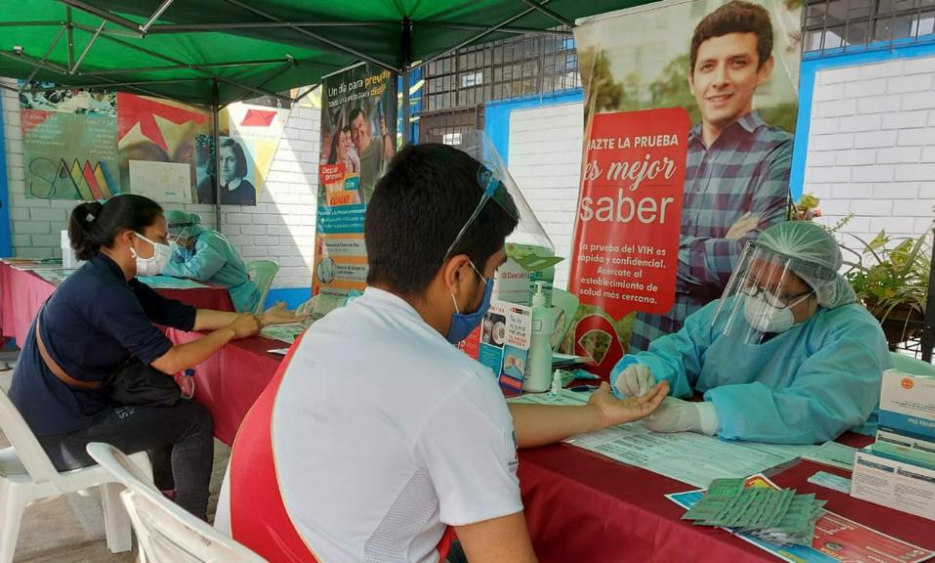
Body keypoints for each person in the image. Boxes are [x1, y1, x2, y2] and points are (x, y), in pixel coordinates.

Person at [217, 143, 668, 562]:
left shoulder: (327, 333)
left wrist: (598, 415)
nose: (492, 288)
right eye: (491, 271)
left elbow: (471, 422)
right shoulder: (452, 385)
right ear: (457, 274)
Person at [7, 195, 304, 520]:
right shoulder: (106, 293)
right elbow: (171, 360)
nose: (168, 246)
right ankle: (190, 523)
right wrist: (231, 332)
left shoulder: (109, 278)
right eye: (161, 238)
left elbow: (183, 316)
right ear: (129, 238)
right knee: (193, 420)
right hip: (58, 435)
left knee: (163, 405)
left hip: (52, 413)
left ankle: (167, 496)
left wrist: (259, 320)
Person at [614, 221, 891, 445]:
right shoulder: (726, 311)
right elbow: (678, 352)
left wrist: (703, 416)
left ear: (818, 293)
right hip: (725, 449)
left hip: (822, 456)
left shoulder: (853, 332)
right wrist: (645, 372)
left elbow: (818, 408)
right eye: (755, 284)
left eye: (781, 293)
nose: (760, 300)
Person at [631, 1, 793, 351]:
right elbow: (632, 247)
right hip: (651, 338)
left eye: (737, 63)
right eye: (708, 66)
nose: (719, 80)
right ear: (692, 79)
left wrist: (664, 256)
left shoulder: (777, 151)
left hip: (722, 348)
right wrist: (723, 244)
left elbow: (758, 259)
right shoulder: (662, 152)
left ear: (763, 69)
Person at [162, 210, 261, 313]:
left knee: (190, 315)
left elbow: (196, 272)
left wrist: (160, 266)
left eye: (173, 237)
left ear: (184, 231)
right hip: (216, 293)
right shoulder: (186, 244)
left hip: (236, 296)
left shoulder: (211, 240)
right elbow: (175, 262)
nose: (173, 241)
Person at [350, 105, 395, 204]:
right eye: (354, 129)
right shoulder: (351, 155)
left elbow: (392, 159)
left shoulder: (379, 143)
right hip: (356, 215)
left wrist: (385, 134)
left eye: (361, 125)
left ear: (366, 125)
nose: (358, 132)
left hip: (377, 212)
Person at [218, 138, 256, 206]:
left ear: (239, 162)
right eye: (220, 159)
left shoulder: (248, 189)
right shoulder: (207, 183)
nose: (224, 165)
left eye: (231, 160)